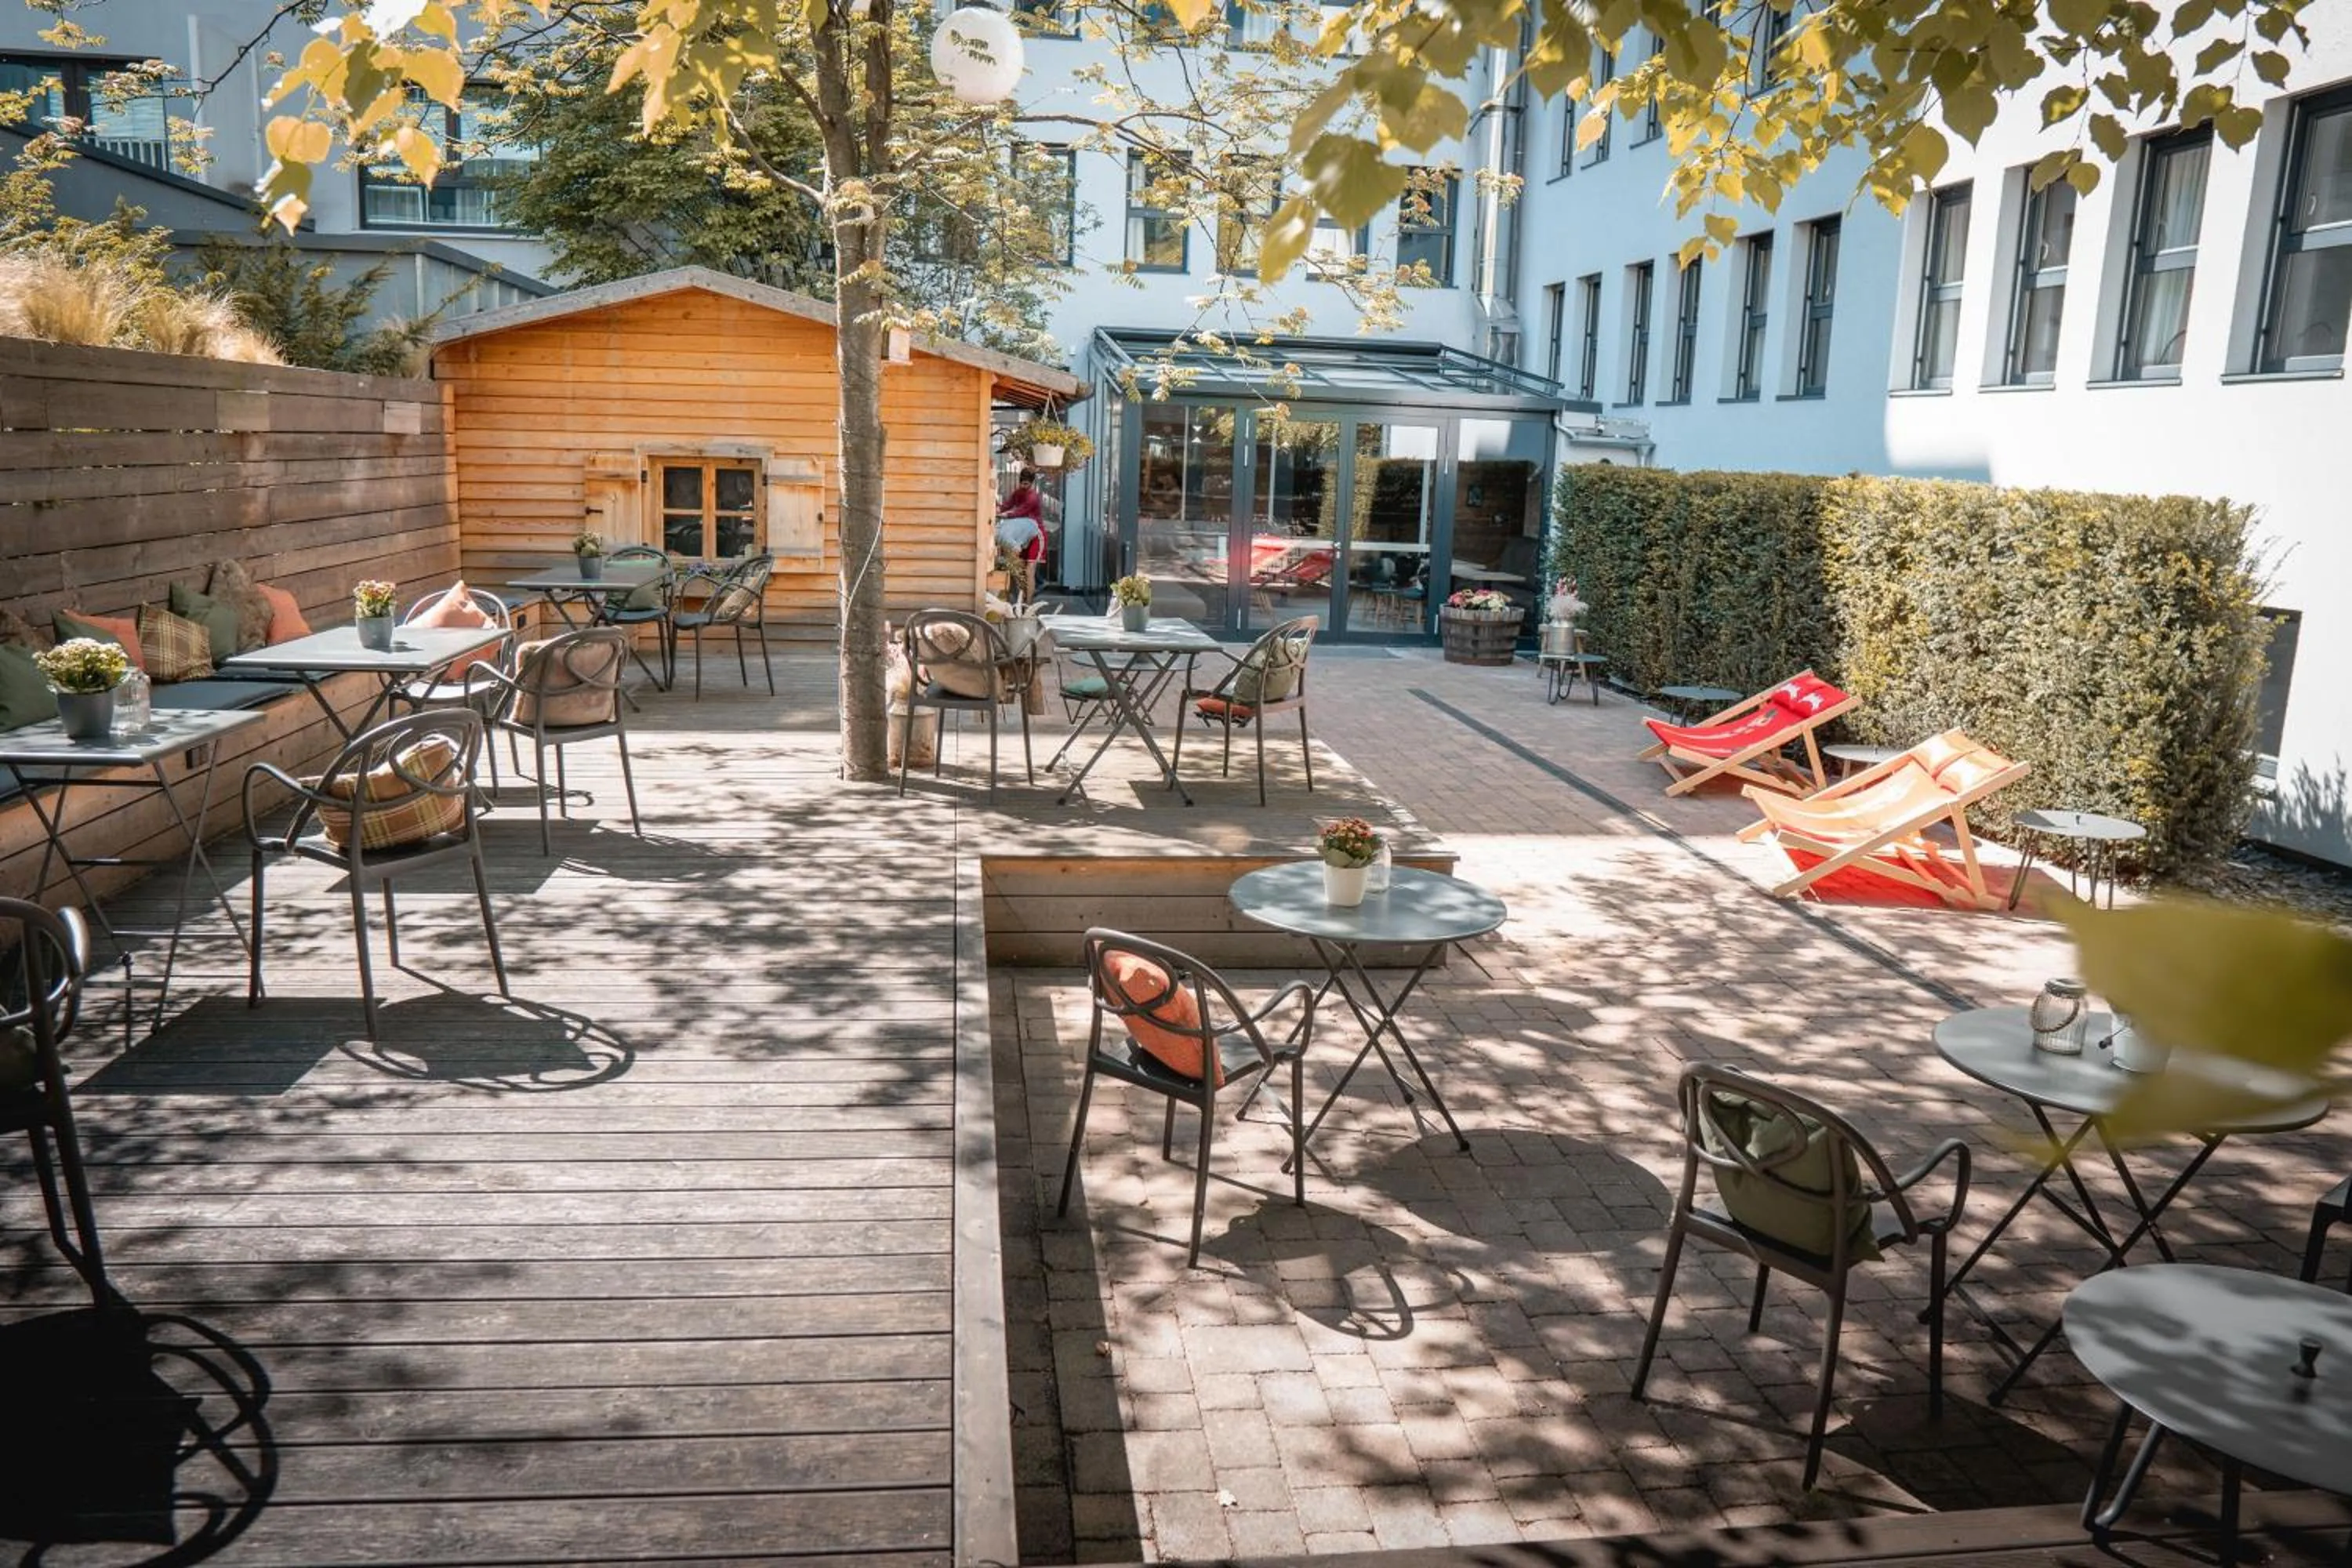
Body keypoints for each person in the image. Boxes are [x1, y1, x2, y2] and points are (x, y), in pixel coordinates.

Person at [996, 467, 1047, 602]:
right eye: (1022, 483)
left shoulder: (1033, 497)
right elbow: (1008, 504)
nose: (1024, 486)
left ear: (1032, 483)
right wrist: (999, 508)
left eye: (1027, 484)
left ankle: (1028, 605)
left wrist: (1005, 514)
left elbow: (1020, 511)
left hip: (1036, 534)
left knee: (1030, 570)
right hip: (1021, 534)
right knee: (1020, 569)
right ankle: (1021, 600)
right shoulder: (1018, 493)